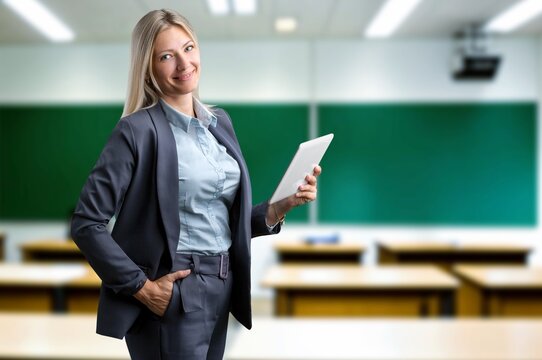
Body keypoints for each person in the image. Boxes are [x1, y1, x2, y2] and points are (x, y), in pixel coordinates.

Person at [70, 8, 321, 360]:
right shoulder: (138, 131)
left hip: (224, 285)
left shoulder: (220, 123)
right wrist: (142, 288)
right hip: (176, 292)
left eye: (188, 48)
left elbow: (220, 221)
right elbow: (87, 224)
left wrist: (280, 206)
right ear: (149, 67)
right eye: (166, 56)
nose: (183, 63)